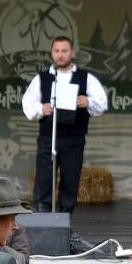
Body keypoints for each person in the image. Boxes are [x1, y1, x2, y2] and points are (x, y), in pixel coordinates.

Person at [22, 36, 107, 215]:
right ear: (52, 53)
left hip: (74, 139)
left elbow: (101, 103)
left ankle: (65, 220)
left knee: (70, 179)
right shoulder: (42, 78)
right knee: (44, 179)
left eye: (64, 51)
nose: (60, 55)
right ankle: (44, 217)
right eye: (57, 51)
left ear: (72, 53)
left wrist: (88, 101)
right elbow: (28, 104)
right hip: (47, 138)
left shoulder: (85, 78)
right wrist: (40, 108)